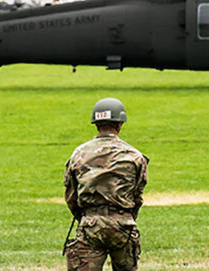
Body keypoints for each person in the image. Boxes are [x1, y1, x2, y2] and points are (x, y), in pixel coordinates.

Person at [63, 97, 148, 271]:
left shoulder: (79, 153)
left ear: (96, 124)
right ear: (119, 124)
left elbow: (71, 195)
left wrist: (86, 218)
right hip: (123, 226)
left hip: (90, 225)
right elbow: (137, 195)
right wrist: (126, 217)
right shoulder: (135, 156)